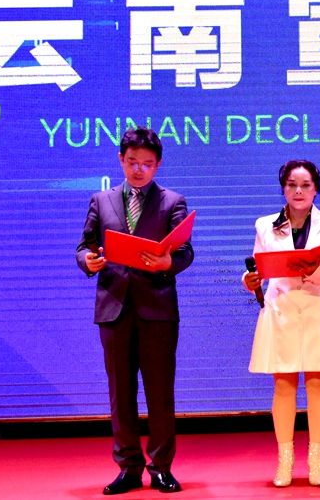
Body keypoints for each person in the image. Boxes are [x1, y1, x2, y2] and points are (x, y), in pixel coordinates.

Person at [76, 128, 194, 495]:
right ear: (120, 160)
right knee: (120, 393)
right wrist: (88, 260)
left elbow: (185, 252)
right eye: (132, 162)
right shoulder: (101, 200)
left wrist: (167, 263)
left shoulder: (172, 201)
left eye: (146, 164)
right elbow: (84, 246)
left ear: (158, 164)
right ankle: (128, 467)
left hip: (157, 309)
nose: (138, 170)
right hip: (114, 308)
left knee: (160, 393)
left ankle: (161, 468)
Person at [242, 160, 320, 488]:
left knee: (317, 383)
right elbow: (258, 266)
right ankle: (285, 461)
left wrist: (316, 272)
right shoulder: (265, 225)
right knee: (283, 385)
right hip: (281, 309)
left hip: (319, 307)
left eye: (305, 185)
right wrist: (249, 279)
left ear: (316, 189)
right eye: (292, 185)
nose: (298, 191)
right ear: (283, 188)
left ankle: (316, 459)